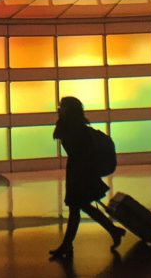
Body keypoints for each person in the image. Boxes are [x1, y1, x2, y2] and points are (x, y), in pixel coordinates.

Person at [49, 96, 125, 259]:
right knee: (81, 207)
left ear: (69, 110)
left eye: (62, 106)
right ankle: (112, 231)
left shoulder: (73, 128)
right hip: (79, 172)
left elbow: (79, 152)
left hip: (79, 173)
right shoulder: (75, 127)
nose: (59, 109)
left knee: (77, 208)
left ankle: (67, 245)